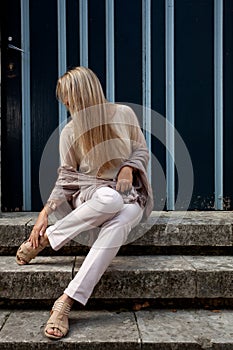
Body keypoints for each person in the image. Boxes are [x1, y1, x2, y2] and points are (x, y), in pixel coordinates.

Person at [16, 66, 153, 340]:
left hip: (129, 195)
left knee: (122, 218)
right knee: (110, 199)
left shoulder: (124, 114)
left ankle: (65, 301)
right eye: (63, 99)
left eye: (69, 97)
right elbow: (67, 177)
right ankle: (49, 237)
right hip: (92, 194)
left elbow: (141, 149)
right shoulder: (70, 131)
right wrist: (45, 212)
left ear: (84, 94)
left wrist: (128, 167)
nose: (66, 104)